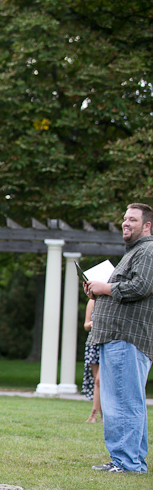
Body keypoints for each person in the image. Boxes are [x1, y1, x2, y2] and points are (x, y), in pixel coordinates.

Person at [85, 203, 153, 474]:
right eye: (125, 219)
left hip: (127, 338)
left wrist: (107, 287)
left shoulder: (147, 250)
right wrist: (98, 290)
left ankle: (128, 464)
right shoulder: (135, 252)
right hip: (118, 337)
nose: (126, 223)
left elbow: (141, 286)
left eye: (133, 220)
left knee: (123, 402)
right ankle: (130, 460)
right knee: (124, 401)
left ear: (147, 225)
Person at [82, 299, 102, 423]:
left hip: (107, 343)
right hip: (93, 343)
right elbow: (86, 325)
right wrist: (92, 324)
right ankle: (95, 414)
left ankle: (98, 413)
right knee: (97, 381)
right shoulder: (92, 301)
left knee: (101, 380)